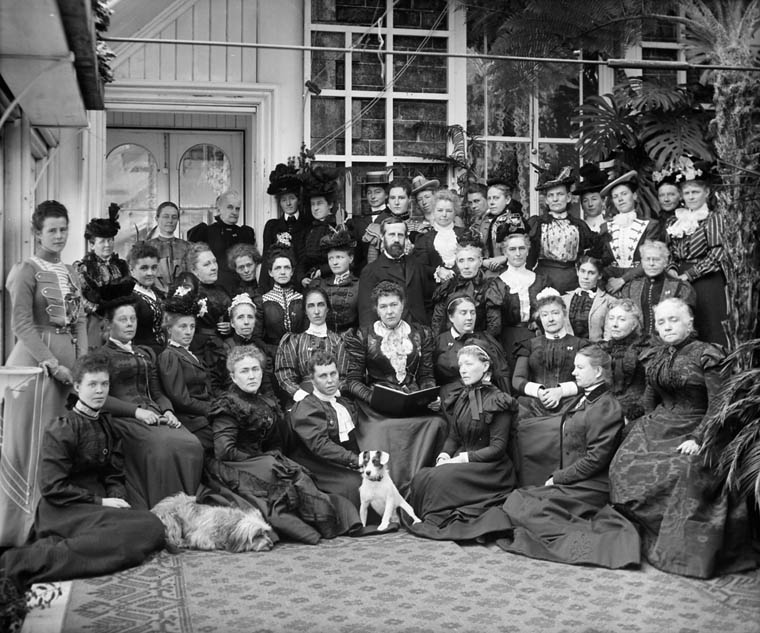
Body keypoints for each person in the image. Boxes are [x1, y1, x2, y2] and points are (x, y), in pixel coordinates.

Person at [610, 298, 755, 578]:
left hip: (700, 425)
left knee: (681, 470)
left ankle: (675, 544)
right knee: (623, 465)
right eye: (661, 322)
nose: (667, 327)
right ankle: (640, 535)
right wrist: (635, 421)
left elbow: (719, 404)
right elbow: (649, 400)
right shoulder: (656, 355)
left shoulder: (707, 354)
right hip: (658, 425)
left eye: (673, 320)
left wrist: (699, 438)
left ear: (690, 322)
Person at [0, 354, 166, 594]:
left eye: (105, 384)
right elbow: (52, 487)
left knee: (151, 526)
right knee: (144, 529)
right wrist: (100, 501)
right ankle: (25, 562)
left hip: (96, 508)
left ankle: (78, 548)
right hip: (63, 509)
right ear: (77, 387)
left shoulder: (107, 425)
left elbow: (114, 475)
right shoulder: (62, 427)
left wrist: (115, 499)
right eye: (92, 384)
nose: (100, 391)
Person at [497, 345, 641, 569]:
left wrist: (559, 477)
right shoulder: (586, 399)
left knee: (527, 506)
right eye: (574, 367)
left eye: (580, 368)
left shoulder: (606, 407)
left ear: (599, 372)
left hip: (593, 484)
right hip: (577, 479)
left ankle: (579, 535)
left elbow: (596, 459)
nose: (574, 373)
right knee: (518, 499)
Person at [204, 345, 357, 544]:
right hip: (234, 464)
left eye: (255, 369)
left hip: (263, 459)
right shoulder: (228, 404)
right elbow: (225, 451)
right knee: (277, 472)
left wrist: (275, 456)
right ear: (233, 377)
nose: (252, 376)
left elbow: (275, 441)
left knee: (298, 475)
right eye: (245, 371)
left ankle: (331, 520)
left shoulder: (266, 402)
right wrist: (266, 460)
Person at [4, 201, 87, 541]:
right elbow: (21, 324)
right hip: (34, 366)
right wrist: (52, 364)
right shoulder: (25, 269)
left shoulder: (72, 272)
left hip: (68, 364)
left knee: (59, 444)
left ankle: (54, 522)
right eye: (51, 230)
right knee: (29, 445)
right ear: (37, 233)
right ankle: (20, 530)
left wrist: (83, 364)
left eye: (63, 229)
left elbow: (80, 320)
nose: (58, 236)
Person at [98, 284, 204, 510]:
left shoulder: (145, 352)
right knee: (162, 446)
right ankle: (162, 509)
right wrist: (136, 412)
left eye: (133, 319)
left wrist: (167, 411)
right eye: (123, 319)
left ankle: (186, 508)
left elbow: (156, 392)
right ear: (109, 325)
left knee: (191, 444)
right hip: (123, 419)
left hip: (155, 415)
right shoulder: (101, 356)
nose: (130, 324)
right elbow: (101, 398)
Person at [406, 344, 518, 541]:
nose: (463, 369)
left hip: (491, 470)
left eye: (469, 363)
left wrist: (459, 460)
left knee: (438, 479)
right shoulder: (462, 397)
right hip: (463, 462)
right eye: (460, 365)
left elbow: (497, 449)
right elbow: (454, 437)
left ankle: (436, 518)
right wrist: (444, 455)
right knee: (422, 476)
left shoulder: (499, 401)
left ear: (485, 366)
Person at [345, 281, 446, 493]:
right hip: (375, 405)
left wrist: (430, 396)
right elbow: (352, 381)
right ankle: (387, 492)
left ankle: (422, 489)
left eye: (393, 305)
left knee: (436, 423)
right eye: (383, 306)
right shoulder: (362, 336)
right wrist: (374, 398)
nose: (389, 311)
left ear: (402, 305)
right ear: (376, 309)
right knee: (381, 432)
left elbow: (427, 375)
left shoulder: (422, 334)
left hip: (412, 400)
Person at [665, 158, 728, 347]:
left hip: (707, 279)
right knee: (684, 324)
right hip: (680, 279)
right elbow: (670, 252)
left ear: (706, 192)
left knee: (710, 324)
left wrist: (689, 274)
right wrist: (673, 270)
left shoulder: (713, 219)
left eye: (696, 192)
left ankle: (716, 371)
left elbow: (718, 253)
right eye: (687, 192)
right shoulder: (674, 222)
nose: (691, 197)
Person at [289, 351, 362, 506]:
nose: (330, 381)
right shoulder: (307, 407)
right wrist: (354, 460)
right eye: (323, 376)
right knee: (354, 484)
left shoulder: (344, 403)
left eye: (333, 374)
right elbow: (320, 445)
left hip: (343, 460)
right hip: (317, 465)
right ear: (312, 380)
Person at [157, 283, 215, 452]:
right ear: (169, 329)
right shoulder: (169, 355)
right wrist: (211, 409)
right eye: (182, 327)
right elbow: (181, 399)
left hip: (204, 415)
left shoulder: (190, 353)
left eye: (192, 327)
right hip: (192, 420)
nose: (188, 332)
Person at [512, 288, 587, 418]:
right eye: (545, 315)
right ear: (540, 318)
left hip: (572, 403)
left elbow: (588, 378)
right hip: (534, 404)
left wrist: (560, 391)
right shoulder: (529, 345)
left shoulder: (580, 345)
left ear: (564, 314)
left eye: (555, 313)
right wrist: (540, 392)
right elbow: (517, 379)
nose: (550, 319)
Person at [528, 166, 598, 293]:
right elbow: (529, 258)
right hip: (543, 278)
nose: (555, 199)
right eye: (551, 195)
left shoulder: (579, 226)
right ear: (546, 200)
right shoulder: (537, 224)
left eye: (560, 194)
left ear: (569, 197)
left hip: (571, 279)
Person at [275, 287, 349, 406]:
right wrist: (298, 393)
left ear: (327, 308)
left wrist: (334, 391)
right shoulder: (294, 341)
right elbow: (285, 374)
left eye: (320, 305)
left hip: (333, 399)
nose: (316, 311)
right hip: (302, 400)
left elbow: (344, 376)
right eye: (311, 306)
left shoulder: (338, 341)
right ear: (305, 310)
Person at [485, 233, 548, 366]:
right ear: (505, 253)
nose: (518, 253)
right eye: (512, 249)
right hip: (509, 339)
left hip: (537, 337)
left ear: (528, 251)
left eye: (522, 248)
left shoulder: (541, 280)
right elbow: (494, 324)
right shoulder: (498, 283)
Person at [357, 218, 433, 328]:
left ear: (406, 238)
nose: (396, 239)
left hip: (419, 332)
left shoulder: (417, 265)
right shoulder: (370, 271)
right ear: (382, 237)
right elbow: (367, 314)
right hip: (388, 335)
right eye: (391, 235)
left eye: (400, 235)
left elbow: (428, 303)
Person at [599, 171, 663, 294]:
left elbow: (650, 259)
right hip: (610, 283)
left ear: (634, 196)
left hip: (641, 281)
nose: (620, 199)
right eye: (616, 196)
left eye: (624, 194)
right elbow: (604, 258)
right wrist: (609, 278)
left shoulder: (650, 225)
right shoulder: (605, 227)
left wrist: (623, 280)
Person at [76, 207, 131, 349]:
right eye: (102, 241)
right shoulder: (82, 268)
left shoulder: (122, 265)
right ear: (92, 244)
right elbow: (78, 298)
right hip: (93, 322)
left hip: (119, 321)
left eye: (110, 240)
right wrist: (97, 308)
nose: (108, 245)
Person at [433, 296, 511, 396]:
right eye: (463, 313)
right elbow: (430, 375)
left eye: (472, 312)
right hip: (448, 400)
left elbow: (501, 375)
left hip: (482, 400)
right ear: (451, 317)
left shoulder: (486, 340)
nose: (469, 318)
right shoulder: (440, 342)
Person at [619, 239, 696, 338]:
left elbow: (687, 325)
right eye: (647, 259)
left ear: (665, 262)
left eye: (656, 259)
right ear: (642, 262)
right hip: (637, 345)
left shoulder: (680, 288)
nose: (651, 264)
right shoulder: (631, 287)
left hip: (669, 343)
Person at [187, 190, 259, 294]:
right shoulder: (206, 232)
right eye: (230, 207)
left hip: (242, 289)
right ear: (219, 209)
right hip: (215, 290)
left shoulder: (245, 233)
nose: (234, 212)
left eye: (237, 209)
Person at [183, 243, 232, 395]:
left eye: (214, 261)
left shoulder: (222, 289)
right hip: (200, 351)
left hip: (224, 347)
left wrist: (230, 326)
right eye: (207, 264)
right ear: (194, 270)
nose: (214, 267)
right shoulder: (187, 292)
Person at [430, 237, 495, 335]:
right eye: (461, 261)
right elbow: (438, 322)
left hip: (481, 342)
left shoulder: (490, 288)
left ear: (480, 261)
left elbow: (494, 325)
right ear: (456, 263)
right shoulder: (448, 287)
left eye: (471, 260)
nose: (466, 266)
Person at [260, 163, 309, 292]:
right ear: (279, 203)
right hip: (277, 288)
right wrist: (263, 291)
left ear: (298, 200)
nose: (288, 203)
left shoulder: (308, 224)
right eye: (283, 200)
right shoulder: (272, 227)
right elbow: (266, 260)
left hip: (301, 287)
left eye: (291, 198)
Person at [599, 299, 648, 422]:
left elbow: (651, 388)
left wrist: (636, 411)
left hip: (635, 412)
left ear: (634, 324)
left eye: (622, 319)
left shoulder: (644, 348)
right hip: (606, 406)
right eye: (611, 318)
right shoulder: (604, 348)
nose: (614, 324)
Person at [362, 178, 426, 264]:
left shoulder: (419, 229)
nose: (396, 202)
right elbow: (372, 266)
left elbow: (423, 263)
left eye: (401, 198)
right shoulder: (377, 229)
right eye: (392, 198)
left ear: (409, 200)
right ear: (388, 200)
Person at [412, 190, 468, 283]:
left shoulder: (465, 234)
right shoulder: (423, 239)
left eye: (449, 211)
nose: (444, 214)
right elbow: (421, 266)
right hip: (434, 288)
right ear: (433, 212)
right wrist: (437, 272)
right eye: (440, 210)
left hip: (463, 284)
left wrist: (454, 272)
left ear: (455, 213)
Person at [311, 228, 360, 333]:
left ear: (350, 258)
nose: (334, 262)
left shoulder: (359, 286)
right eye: (331, 258)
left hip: (352, 342)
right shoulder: (320, 285)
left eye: (339, 257)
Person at [298, 167, 340, 288]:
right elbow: (302, 261)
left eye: (319, 203)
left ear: (330, 204)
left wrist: (323, 270)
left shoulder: (339, 227)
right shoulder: (308, 230)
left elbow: (347, 260)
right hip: (311, 283)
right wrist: (302, 278)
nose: (315, 208)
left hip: (333, 282)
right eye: (312, 204)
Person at [476, 177, 529, 271]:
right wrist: (483, 261)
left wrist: (504, 258)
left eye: (496, 198)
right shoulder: (483, 221)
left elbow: (522, 248)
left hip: (509, 269)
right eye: (489, 199)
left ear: (507, 199)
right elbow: (476, 246)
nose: (491, 202)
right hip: (485, 270)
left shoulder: (514, 221)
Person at [260, 247, 305, 359]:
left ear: (292, 271)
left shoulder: (302, 299)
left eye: (287, 268)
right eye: (278, 268)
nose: (283, 272)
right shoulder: (263, 301)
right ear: (270, 272)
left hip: (301, 354)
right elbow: (258, 337)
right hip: (273, 357)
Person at [562, 255, 614, 342]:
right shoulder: (564, 300)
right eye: (582, 271)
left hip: (595, 351)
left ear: (599, 275)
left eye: (591, 273)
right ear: (577, 272)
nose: (585, 277)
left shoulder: (609, 301)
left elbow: (608, 336)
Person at [350, 170, 391, 273]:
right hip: (364, 273)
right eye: (369, 192)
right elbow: (357, 255)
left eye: (377, 192)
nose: (373, 196)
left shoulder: (392, 218)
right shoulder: (359, 222)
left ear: (386, 195)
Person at [128, 241, 165, 354]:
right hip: (142, 355)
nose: (150, 273)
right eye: (144, 268)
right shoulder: (129, 297)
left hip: (163, 354)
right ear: (132, 269)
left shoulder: (157, 293)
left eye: (153, 268)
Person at [145, 201, 190, 293]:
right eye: (166, 216)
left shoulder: (188, 247)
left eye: (174, 217)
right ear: (157, 219)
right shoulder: (146, 247)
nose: (170, 221)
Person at [227, 242, 265, 342]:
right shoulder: (233, 294)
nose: (246, 270)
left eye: (249, 265)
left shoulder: (265, 288)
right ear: (235, 269)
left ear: (256, 264)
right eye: (241, 267)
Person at [572, 163, 609, 233]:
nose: (590, 204)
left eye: (594, 199)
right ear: (581, 205)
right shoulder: (577, 230)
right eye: (585, 200)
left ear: (603, 200)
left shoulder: (613, 227)